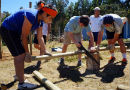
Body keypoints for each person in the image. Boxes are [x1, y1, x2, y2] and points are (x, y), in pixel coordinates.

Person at [0, 4, 58, 89]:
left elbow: (40, 37)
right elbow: (24, 36)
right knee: (20, 55)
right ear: (45, 13)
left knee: (18, 55)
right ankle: (22, 84)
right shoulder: (32, 15)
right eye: (51, 18)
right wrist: (27, 53)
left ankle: (18, 76)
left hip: (14, 31)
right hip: (7, 29)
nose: (51, 21)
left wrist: (45, 50)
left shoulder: (40, 21)